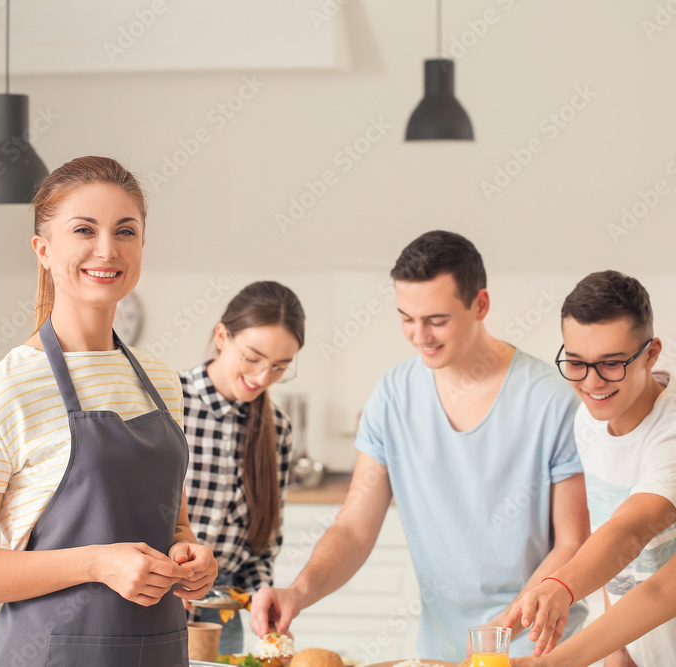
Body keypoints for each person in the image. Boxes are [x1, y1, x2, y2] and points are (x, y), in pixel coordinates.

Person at [0, 156, 218, 667]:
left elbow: (173, 523)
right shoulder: (6, 392)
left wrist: (190, 555)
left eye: (125, 231)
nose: (108, 249)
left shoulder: (161, 382)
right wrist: (97, 563)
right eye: (84, 229)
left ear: (142, 246)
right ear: (43, 249)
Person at [251, 231, 591, 661]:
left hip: (538, 650)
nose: (419, 335)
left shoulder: (550, 400)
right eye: (406, 318)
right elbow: (355, 526)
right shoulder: (393, 397)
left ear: (480, 305)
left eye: (436, 319)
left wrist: (498, 637)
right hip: (440, 653)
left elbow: (572, 544)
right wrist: (299, 591)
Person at [503, 272, 676, 665]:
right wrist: (576, 657)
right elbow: (662, 588)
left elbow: (633, 527)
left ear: (651, 353)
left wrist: (561, 585)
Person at [180, 281, 304, 653]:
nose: (263, 378)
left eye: (279, 367)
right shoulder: (169, 400)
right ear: (222, 336)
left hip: (224, 609)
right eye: (253, 357)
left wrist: (261, 596)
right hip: (158, 599)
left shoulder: (276, 428)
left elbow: (262, 545)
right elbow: (128, 511)